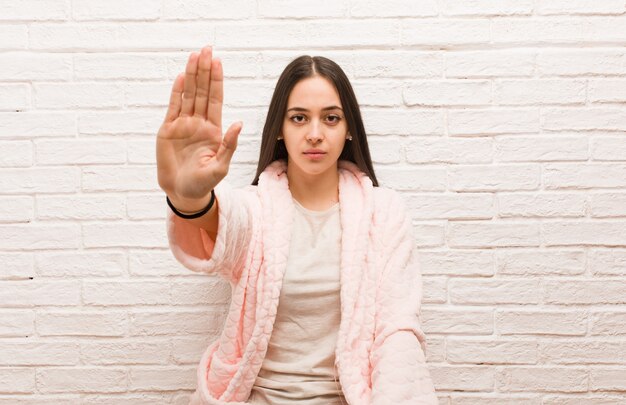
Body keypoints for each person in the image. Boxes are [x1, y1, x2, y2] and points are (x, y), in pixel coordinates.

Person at [156, 45, 438, 405]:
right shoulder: (256, 209)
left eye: (331, 118)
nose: (315, 133)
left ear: (349, 128)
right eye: (299, 118)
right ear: (279, 129)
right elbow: (223, 221)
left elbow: (396, 331)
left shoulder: (383, 213)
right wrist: (188, 198)